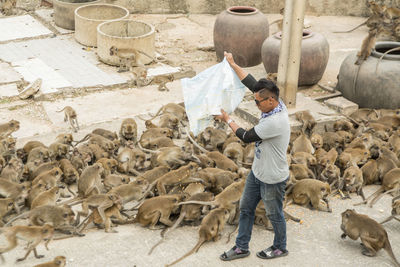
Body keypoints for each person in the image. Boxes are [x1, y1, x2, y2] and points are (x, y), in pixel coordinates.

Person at [218, 51, 290, 261]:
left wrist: (227, 119)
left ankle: (280, 247)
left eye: (258, 102)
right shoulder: (272, 103)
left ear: (271, 101)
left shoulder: (274, 122)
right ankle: (241, 247)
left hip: (272, 178)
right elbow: (252, 83)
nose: (255, 104)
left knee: (274, 214)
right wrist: (233, 63)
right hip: (257, 172)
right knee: (246, 208)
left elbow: (246, 136)